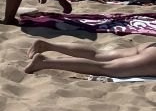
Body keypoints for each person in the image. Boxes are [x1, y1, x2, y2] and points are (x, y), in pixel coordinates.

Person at [25, 38, 156, 78]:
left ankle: (47, 45)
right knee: (109, 68)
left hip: (151, 46)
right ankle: (44, 62)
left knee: (97, 55)